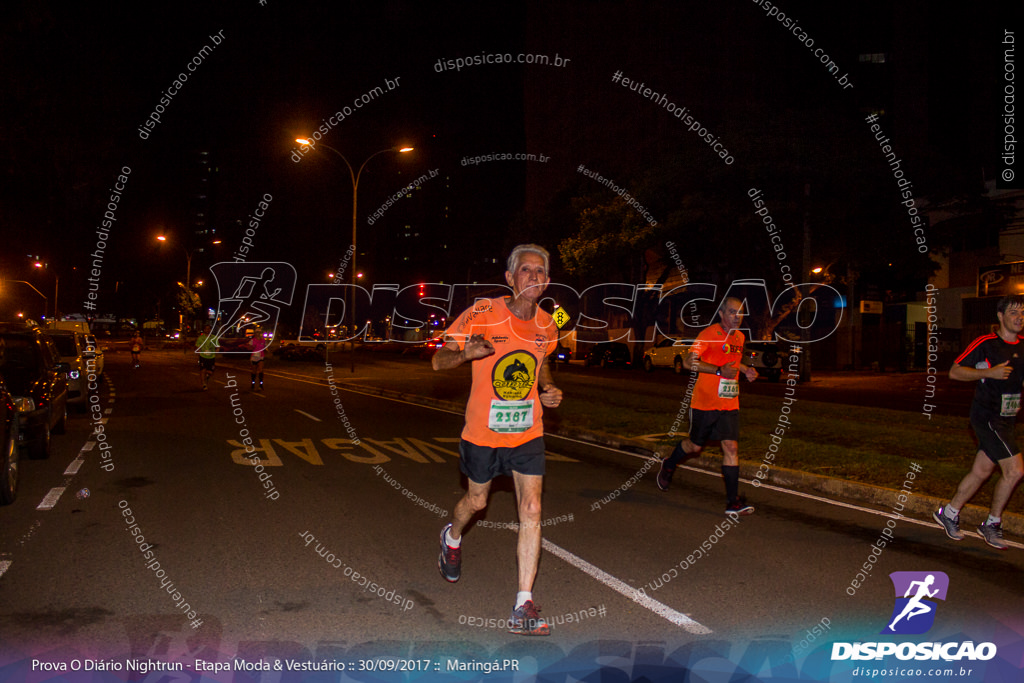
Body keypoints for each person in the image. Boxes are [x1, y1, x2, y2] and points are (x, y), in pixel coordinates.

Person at [434, 244, 563, 636]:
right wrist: (464, 354)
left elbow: (540, 364)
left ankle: (523, 604)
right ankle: (451, 537)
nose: (535, 278)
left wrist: (550, 388)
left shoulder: (548, 323)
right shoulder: (482, 313)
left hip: (527, 430)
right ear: (509, 279)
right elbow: (439, 360)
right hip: (482, 432)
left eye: (541, 272)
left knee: (532, 507)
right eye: (526, 270)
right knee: (476, 501)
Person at [933, 294, 1024, 550]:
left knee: (982, 471)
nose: (1019, 318)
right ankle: (992, 524)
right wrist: (988, 372)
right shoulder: (986, 343)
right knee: (1015, 470)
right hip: (986, 417)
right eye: (1014, 313)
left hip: (1007, 419)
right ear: (1000, 316)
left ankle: (948, 513)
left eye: (1023, 313)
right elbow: (955, 371)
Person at [656, 296, 758, 515]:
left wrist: (744, 370)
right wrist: (719, 371)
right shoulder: (709, 335)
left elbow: (731, 359)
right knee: (695, 446)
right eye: (732, 312)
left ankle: (733, 503)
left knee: (731, 447)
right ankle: (669, 464)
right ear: (721, 314)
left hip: (729, 403)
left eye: (740, 313)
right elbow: (687, 361)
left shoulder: (739, 337)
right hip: (704, 403)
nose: (737, 317)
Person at [195, 324, 219, 390]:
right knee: (203, 370)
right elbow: (198, 346)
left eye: (209, 329)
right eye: (206, 329)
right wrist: (200, 353)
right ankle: (204, 384)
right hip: (203, 356)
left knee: (210, 372)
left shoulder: (214, 338)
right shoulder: (201, 338)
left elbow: (217, 347)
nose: (207, 330)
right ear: (204, 330)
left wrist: (215, 352)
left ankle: (207, 376)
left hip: (211, 357)